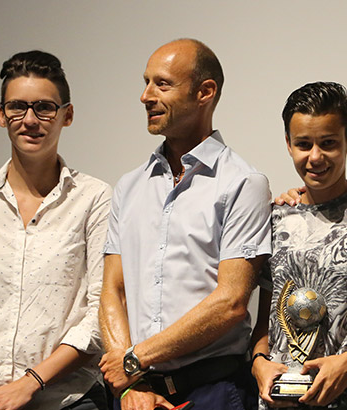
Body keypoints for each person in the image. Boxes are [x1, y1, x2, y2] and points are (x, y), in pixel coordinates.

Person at [98, 38, 272, 410]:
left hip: (212, 393)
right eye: (146, 82)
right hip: (136, 396)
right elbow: (114, 290)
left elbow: (230, 302)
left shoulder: (242, 183)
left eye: (162, 84)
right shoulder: (129, 186)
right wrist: (129, 386)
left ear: (205, 92)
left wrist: (134, 360)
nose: (145, 96)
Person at [0, 50, 111, 410]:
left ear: (67, 115)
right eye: (17, 107)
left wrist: (30, 383)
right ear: (2, 115)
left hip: (68, 401)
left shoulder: (94, 198)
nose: (30, 120)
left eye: (44, 108)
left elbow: (100, 311)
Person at [251, 82, 347, 410]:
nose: (315, 157)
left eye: (328, 143)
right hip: (280, 402)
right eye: (303, 144)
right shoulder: (275, 218)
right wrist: (259, 363)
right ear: (288, 144)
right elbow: (265, 323)